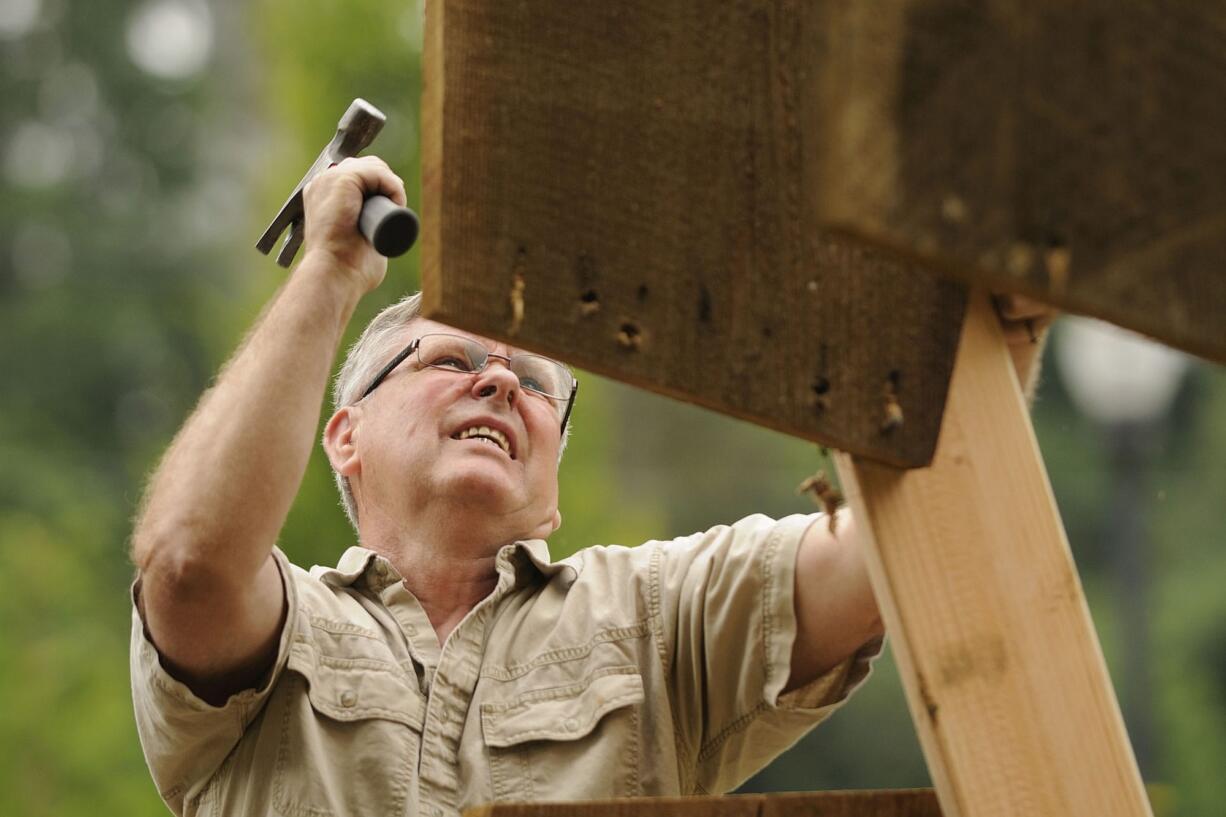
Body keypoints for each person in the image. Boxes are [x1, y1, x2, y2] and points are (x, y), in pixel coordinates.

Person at [129, 157, 1047, 817]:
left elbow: (898, 545)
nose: (498, 382)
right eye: (450, 359)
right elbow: (188, 564)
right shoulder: (282, 629)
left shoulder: (654, 616)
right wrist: (329, 272)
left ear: (553, 490)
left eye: (533, 382)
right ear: (345, 436)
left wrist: (996, 333)